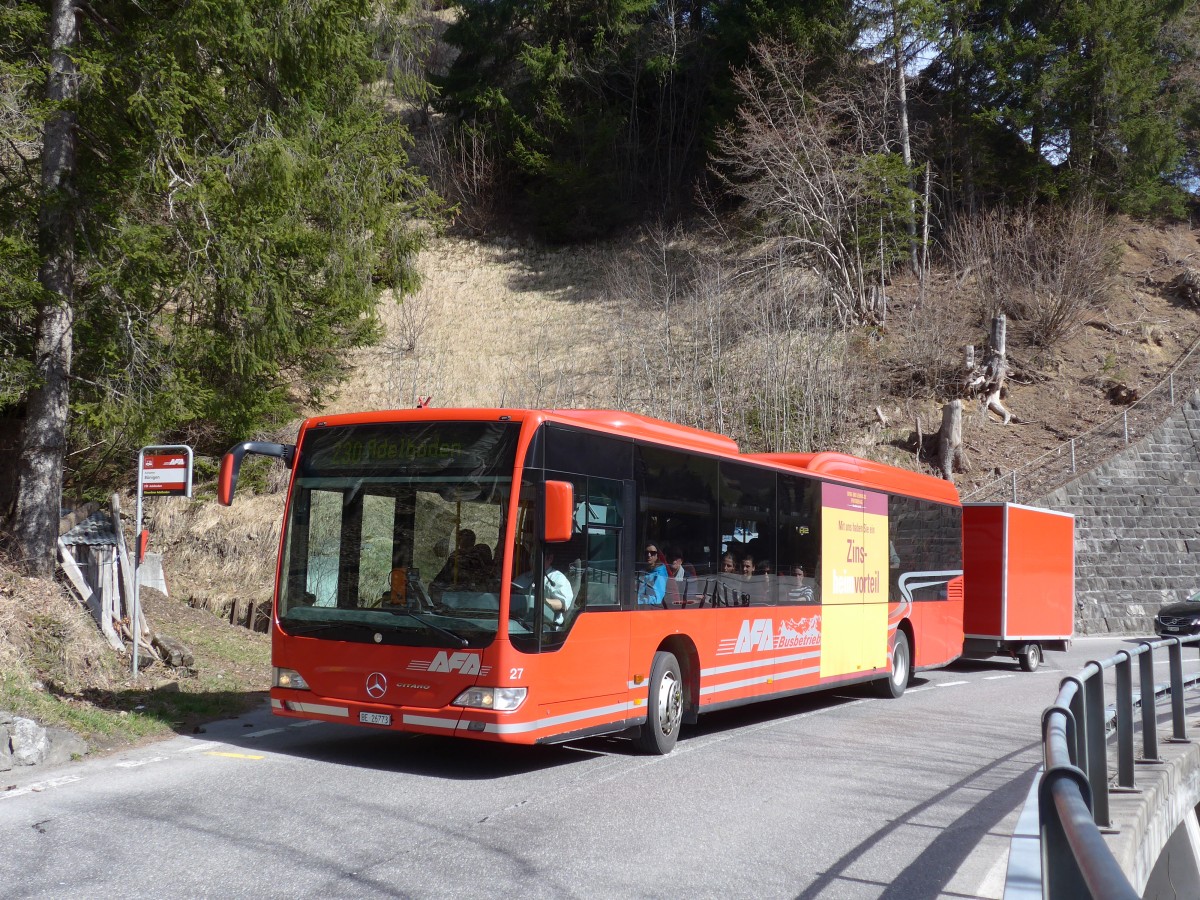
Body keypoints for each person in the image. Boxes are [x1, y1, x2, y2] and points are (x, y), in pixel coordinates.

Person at [514, 550, 574, 626]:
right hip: (518, 622)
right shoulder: (521, 579)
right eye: (532, 557)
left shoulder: (558, 578)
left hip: (546, 626)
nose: (532, 561)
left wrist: (537, 602)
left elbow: (563, 604)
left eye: (536, 557)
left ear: (550, 559)